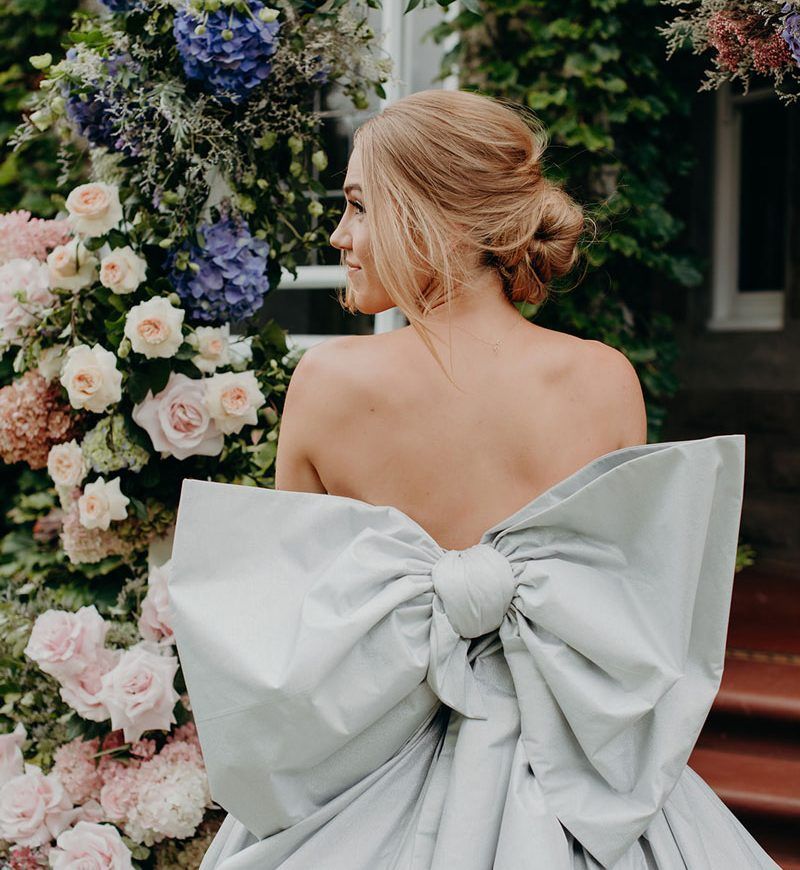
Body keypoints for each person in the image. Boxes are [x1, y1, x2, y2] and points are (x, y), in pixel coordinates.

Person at [167, 89, 780, 868]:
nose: (339, 234)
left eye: (358, 207)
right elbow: (624, 618)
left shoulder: (328, 384)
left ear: (436, 217)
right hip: (571, 793)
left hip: (364, 789)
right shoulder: (604, 380)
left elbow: (299, 636)